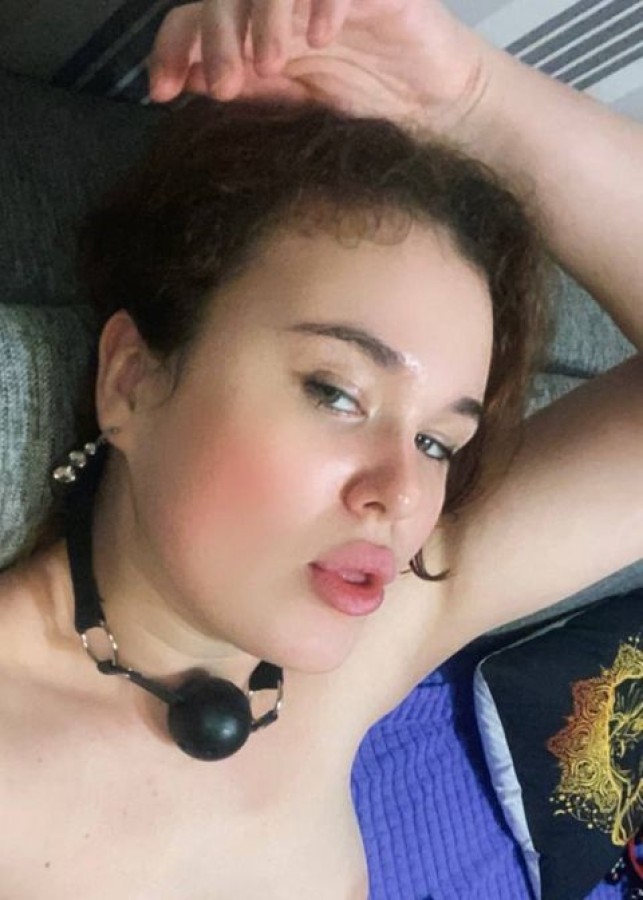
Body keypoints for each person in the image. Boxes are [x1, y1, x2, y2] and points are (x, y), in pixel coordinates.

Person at [0, 1, 641, 897]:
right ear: (132, 381)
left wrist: (472, 98)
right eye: (336, 393)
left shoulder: (374, 636)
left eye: (436, 441)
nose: (400, 495)